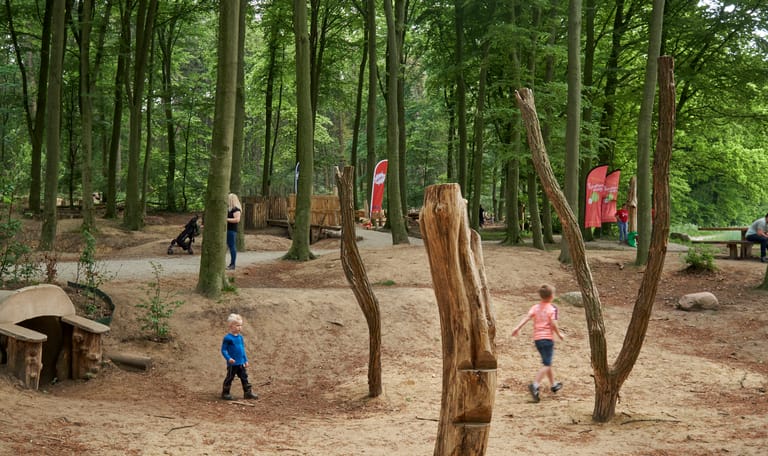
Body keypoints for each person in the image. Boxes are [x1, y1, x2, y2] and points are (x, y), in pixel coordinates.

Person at [511, 284, 565, 403]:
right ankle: (535, 385)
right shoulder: (552, 308)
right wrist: (559, 334)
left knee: (547, 362)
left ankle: (553, 384)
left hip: (537, 339)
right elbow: (553, 324)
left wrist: (517, 328)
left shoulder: (535, 307)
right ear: (551, 296)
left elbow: (527, 317)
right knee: (546, 364)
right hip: (547, 339)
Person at [220, 313, 259, 400]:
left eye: (241, 325)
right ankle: (225, 393)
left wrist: (245, 360)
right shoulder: (227, 338)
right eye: (237, 325)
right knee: (230, 377)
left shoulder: (240, 337)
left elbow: (242, 350)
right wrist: (228, 358)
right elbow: (223, 350)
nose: (239, 327)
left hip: (241, 362)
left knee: (244, 377)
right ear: (231, 326)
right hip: (232, 364)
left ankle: (247, 393)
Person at [226, 193, 241, 270]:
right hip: (226, 230)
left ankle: (232, 264)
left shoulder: (236, 209)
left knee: (232, 246)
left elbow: (237, 220)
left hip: (231, 230)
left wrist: (226, 219)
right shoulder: (228, 209)